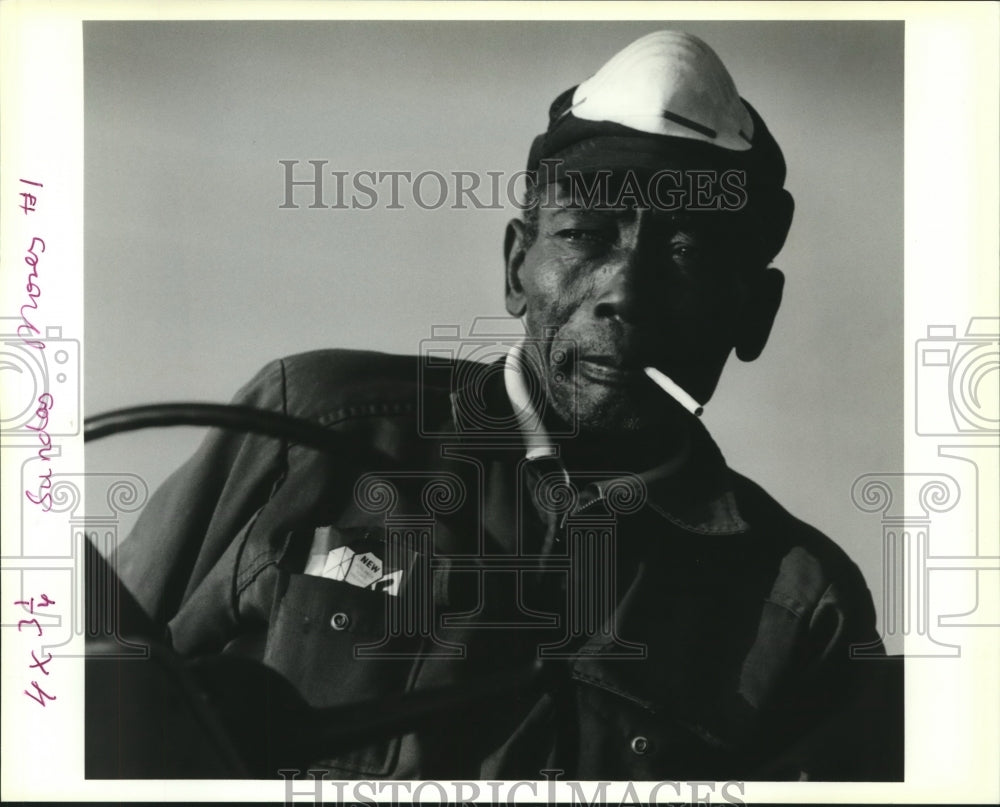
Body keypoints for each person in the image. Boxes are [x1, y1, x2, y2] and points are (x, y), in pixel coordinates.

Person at [115, 30, 890, 781]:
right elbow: (73, 691)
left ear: (753, 310)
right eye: (585, 232)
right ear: (518, 265)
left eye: (686, 251)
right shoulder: (312, 430)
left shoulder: (800, 606)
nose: (625, 292)